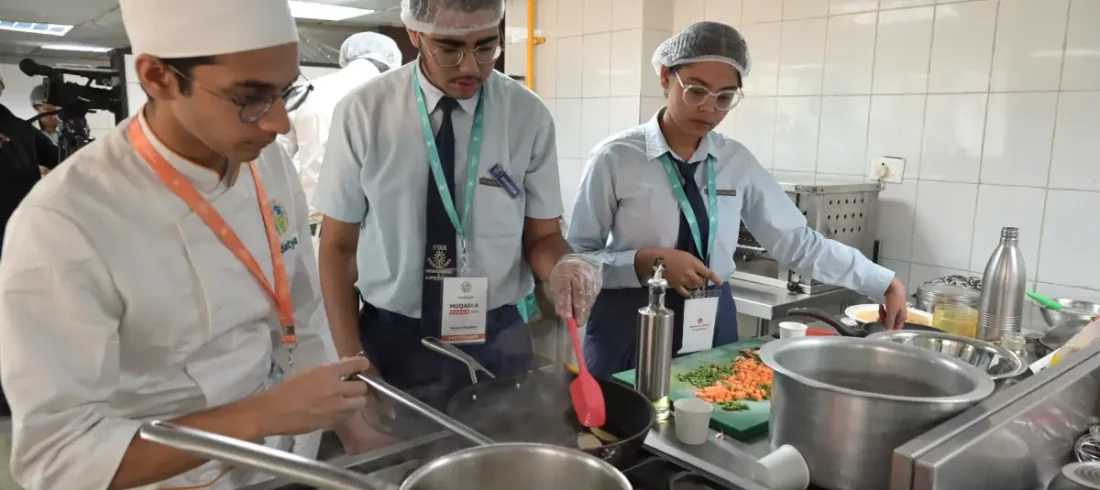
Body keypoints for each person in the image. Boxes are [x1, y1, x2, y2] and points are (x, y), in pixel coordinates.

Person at [0, 1, 381, 489]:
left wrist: (349, 425)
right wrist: (261, 415)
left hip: (288, 458)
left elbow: (303, 311)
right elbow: (57, 458)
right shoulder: (66, 221)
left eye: (286, 92)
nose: (280, 123)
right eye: (251, 97)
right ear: (158, 77)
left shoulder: (266, 162)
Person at [314, 0, 602, 431]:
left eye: (486, 47)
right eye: (449, 48)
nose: (471, 66)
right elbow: (337, 247)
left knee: (501, 455)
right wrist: (352, 359)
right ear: (415, 35)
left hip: (497, 337)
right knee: (400, 456)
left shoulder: (526, 115)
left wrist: (564, 266)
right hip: (394, 337)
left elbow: (542, 237)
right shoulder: (364, 113)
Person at [567, 22, 909, 379]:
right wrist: (644, 262)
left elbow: (797, 242)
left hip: (711, 318)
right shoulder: (616, 157)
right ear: (666, 76)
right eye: (696, 91)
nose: (709, 108)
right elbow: (576, 259)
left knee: (711, 409)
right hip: (629, 319)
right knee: (620, 412)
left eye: (724, 97)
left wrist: (882, 282)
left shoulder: (735, 161)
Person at [278, 31, 403, 240]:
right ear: (393, 64)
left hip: (311, 226)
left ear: (345, 61)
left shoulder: (306, 92)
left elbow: (275, 158)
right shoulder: (397, 98)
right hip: (372, 229)